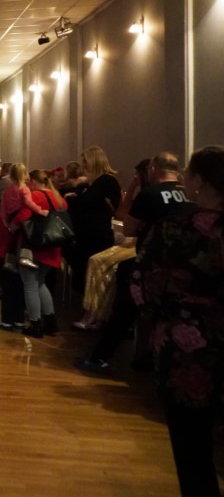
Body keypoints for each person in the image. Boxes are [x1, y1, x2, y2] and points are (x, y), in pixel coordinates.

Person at [134, 145, 224, 497]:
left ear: (199, 182)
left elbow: (145, 285)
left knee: (193, 452)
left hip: (188, 352)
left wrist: (161, 321)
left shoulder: (175, 229)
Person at [76, 152, 195, 375]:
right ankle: (146, 357)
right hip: (181, 266)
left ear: (153, 170)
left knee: (123, 311)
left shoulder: (150, 194)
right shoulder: (189, 194)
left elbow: (129, 229)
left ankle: (100, 357)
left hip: (150, 262)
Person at [11, 170, 67, 338]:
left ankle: (35, 323)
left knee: (30, 284)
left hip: (34, 247)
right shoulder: (58, 197)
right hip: (53, 246)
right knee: (40, 283)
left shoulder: (35, 196)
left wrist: (11, 225)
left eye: (29, 181)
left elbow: (23, 217)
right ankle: (51, 321)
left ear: (34, 181)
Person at [65, 146, 122, 292]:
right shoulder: (93, 184)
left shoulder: (106, 181)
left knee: (91, 283)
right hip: (87, 238)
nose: (83, 166)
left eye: (85, 162)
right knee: (83, 282)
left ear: (94, 161)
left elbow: (83, 202)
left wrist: (72, 199)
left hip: (96, 238)